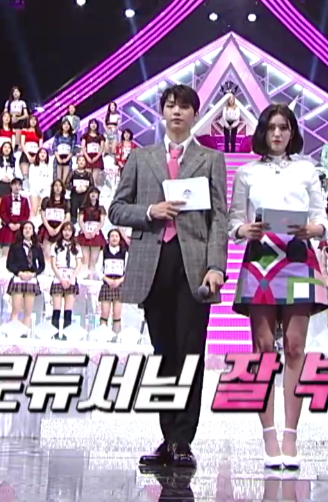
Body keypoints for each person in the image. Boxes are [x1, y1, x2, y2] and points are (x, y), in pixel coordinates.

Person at [108, 84, 227, 470]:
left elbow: (219, 218)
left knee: (190, 352)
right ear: (162, 112)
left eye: (185, 107)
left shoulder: (210, 158)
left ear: (195, 114)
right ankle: (167, 436)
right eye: (171, 106)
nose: (177, 112)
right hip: (153, 265)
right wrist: (150, 211)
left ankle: (182, 439)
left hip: (194, 267)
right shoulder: (141, 158)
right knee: (163, 355)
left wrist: (216, 266)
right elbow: (116, 209)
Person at [230, 103, 328, 470]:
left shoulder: (307, 169)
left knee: (296, 346)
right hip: (261, 259)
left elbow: (322, 218)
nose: (277, 134)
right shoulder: (246, 173)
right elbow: (233, 222)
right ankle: (268, 434)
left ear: (292, 132)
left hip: (298, 256)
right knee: (263, 349)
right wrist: (244, 230)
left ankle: (291, 434)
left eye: (283, 127)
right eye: (271, 127)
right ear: (262, 131)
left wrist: (313, 229)